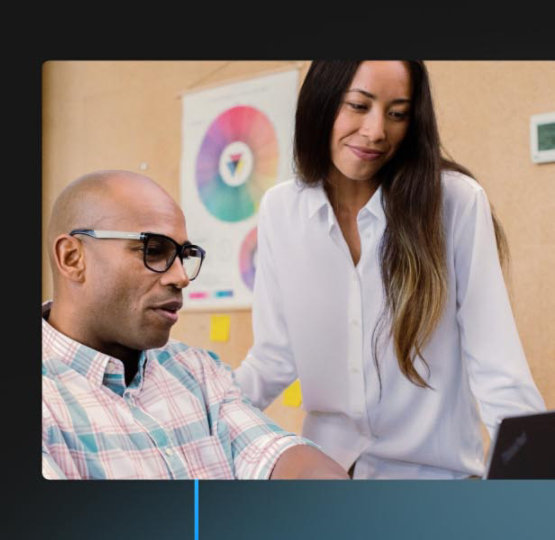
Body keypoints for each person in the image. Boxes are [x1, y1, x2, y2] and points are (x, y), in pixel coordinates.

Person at [234, 60, 546, 479]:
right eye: (358, 106)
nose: (377, 131)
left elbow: (497, 369)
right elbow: (273, 357)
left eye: (397, 113)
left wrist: (535, 478)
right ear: (321, 104)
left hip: (435, 485)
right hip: (328, 479)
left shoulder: (454, 203)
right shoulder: (280, 210)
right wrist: (202, 415)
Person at [42, 169, 349, 479]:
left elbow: (268, 450)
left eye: (184, 256)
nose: (181, 277)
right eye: (153, 251)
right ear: (72, 258)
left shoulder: (196, 370)